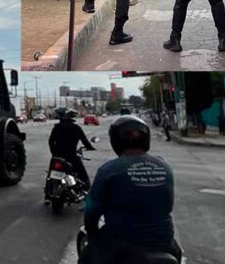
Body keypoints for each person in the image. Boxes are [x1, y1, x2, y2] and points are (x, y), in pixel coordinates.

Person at [81, 115, 182, 264]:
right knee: (177, 255)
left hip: (122, 242)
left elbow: (92, 209)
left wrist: (92, 232)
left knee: (87, 258)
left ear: (115, 141)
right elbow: (168, 204)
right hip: (164, 241)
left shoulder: (109, 169)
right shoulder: (164, 166)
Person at [49, 108, 95, 190]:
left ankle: (48, 193)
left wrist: (54, 153)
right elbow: (85, 141)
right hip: (71, 156)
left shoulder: (57, 127)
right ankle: (86, 189)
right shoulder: (76, 128)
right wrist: (90, 147)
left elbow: (51, 141)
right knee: (82, 175)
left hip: (58, 156)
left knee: (51, 174)